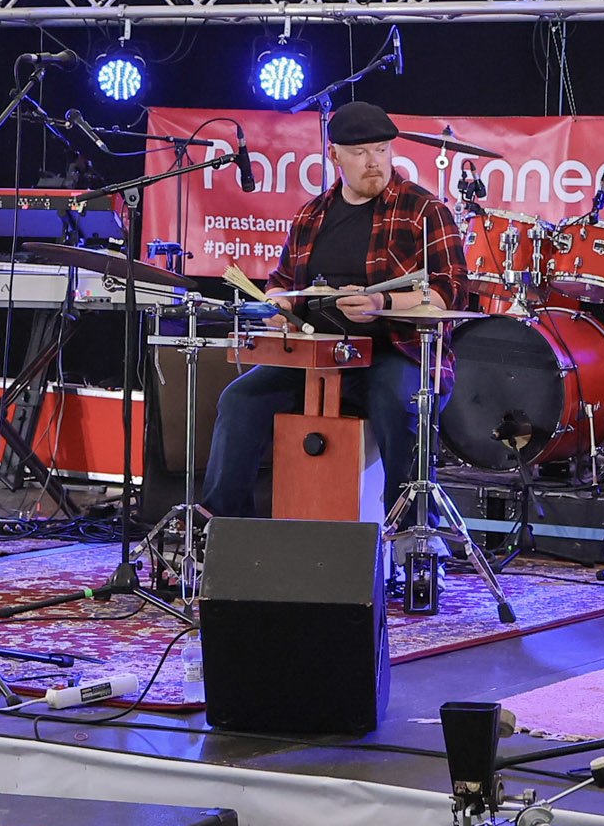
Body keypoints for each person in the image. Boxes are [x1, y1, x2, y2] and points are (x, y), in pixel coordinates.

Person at [200, 101, 467, 518]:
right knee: (239, 400)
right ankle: (224, 528)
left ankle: (409, 533)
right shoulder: (312, 214)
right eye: (360, 152)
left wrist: (381, 304)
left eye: (381, 150)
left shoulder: (424, 211)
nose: (373, 162)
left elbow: (451, 291)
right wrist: (278, 302)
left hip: (395, 352)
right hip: (319, 357)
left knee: (399, 404)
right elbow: (282, 281)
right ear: (335, 155)